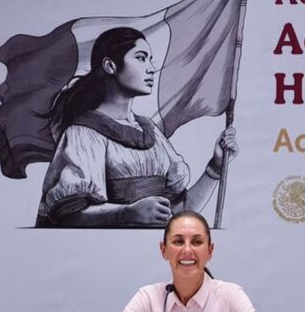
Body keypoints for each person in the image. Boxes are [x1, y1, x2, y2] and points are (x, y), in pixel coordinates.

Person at [36, 27, 238, 227]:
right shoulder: (83, 133)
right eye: (141, 58)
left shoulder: (150, 131)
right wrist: (127, 213)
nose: (151, 68)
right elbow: (69, 216)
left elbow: (177, 213)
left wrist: (215, 168)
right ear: (110, 65)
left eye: (150, 59)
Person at [97, 210, 276, 312]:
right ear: (163, 250)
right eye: (178, 241)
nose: (188, 250)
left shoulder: (230, 294)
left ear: (210, 251)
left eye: (197, 242)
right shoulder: (149, 297)